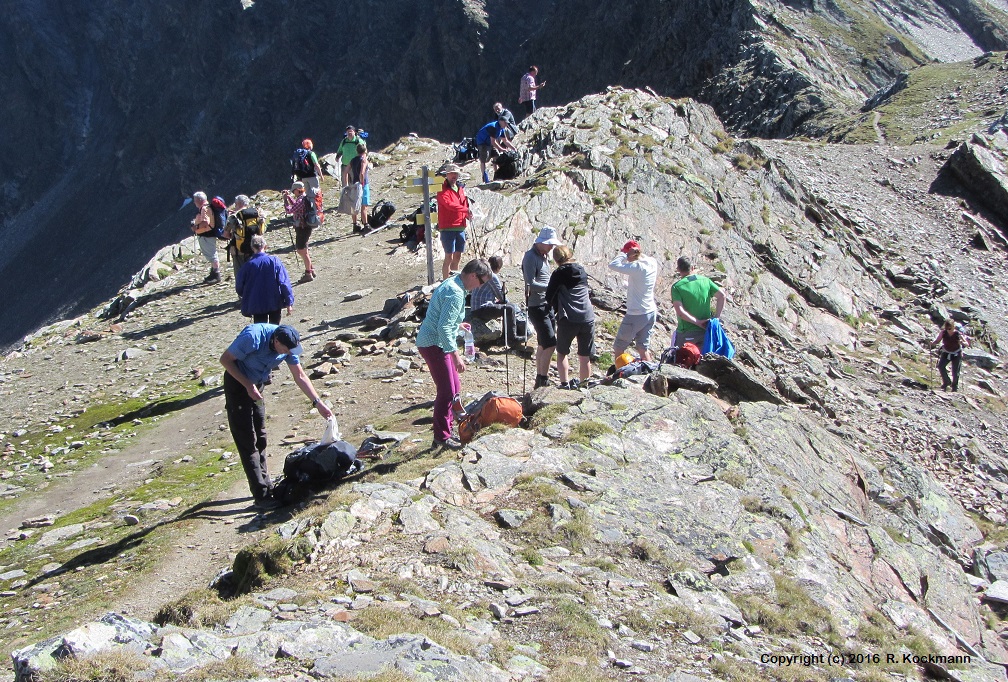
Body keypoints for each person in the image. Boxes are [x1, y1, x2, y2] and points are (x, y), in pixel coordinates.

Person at [220, 323, 333, 507]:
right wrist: (248, 385)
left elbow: (300, 376)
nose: (290, 352)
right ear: (276, 341)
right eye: (287, 349)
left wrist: (318, 403)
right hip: (238, 384)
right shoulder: (253, 337)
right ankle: (261, 495)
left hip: (257, 384)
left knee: (261, 435)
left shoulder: (288, 345)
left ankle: (266, 484)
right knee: (247, 439)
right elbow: (225, 360)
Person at [416, 259, 493, 450]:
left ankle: (451, 426)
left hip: (436, 342)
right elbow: (443, 327)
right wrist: (456, 356)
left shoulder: (452, 283)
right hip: (433, 344)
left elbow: (443, 318)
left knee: (454, 386)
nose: (479, 287)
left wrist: (458, 326)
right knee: (447, 392)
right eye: (481, 282)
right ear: (474, 275)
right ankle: (441, 437)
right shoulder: (456, 292)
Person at [545, 246, 596, 390]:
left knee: (562, 352)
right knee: (584, 356)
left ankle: (564, 383)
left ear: (555, 259)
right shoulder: (581, 270)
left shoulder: (558, 274)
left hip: (569, 318)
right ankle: (584, 385)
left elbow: (549, 297)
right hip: (587, 317)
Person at [522, 226, 564, 389]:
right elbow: (530, 283)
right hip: (537, 305)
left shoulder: (543, 256)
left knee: (543, 343)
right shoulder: (530, 257)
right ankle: (542, 378)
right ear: (541, 242)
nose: (552, 247)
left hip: (546, 305)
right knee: (550, 343)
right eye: (549, 244)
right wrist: (551, 286)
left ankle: (540, 379)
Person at [608, 240, 659, 361]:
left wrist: (623, 254)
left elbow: (612, 265)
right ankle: (650, 375)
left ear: (631, 254)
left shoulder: (637, 266)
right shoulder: (652, 261)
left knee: (619, 347)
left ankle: (619, 375)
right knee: (642, 348)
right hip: (650, 311)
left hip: (636, 313)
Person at [236, 235, 294, 324]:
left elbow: (239, 287)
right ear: (265, 246)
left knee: (260, 331)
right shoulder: (274, 261)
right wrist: (288, 302)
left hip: (256, 303)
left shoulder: (247, 266)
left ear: (252, 248)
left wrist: (247, 295)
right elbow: (284, 282)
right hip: (274, 301)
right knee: (274, 329)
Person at [671, 256, 725, 347]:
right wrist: (716, 317)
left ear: (678, 269)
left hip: (686, 332)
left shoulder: (677, 287)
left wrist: (698, 322)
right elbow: (722, 296)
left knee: (680, 359)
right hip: (706, 331)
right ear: (692, 268)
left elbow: (680, 312)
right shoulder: (705, 281)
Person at [470, 255, 521, 350]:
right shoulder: (491, 276)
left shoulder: (482, 272)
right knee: (509, 309)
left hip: (476, 308)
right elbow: (502, 297)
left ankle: (504, 337)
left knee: (506, 307)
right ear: (498, 268)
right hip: (482, 309)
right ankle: (511, 338)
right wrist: (514, 307)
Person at [436, 163, 470, 280]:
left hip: (460, 226)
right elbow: (449, 205)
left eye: (455, 173)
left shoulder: (460, 188)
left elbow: (463, 204)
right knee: (449, 257)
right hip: (447, 227)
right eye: (451, 173)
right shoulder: (442, 189)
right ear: (447, 175)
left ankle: (454, 281)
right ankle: (446, 283)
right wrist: (465, 210)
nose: (453, 176)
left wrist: (467, 214)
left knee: (458, 256)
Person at [283, 181, 316, 283]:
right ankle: (311, 269)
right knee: (304, 249)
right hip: (306, 226)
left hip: (302, 227)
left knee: (301, 250)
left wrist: (285, 201)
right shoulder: (304, 198)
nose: (294, 193)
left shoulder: (301, 200)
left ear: (298, 190)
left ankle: (308, 273)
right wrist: (288, 198)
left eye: (294, 191)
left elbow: (290, 210)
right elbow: (295, 205)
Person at [224, 195, 262, 280]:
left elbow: (225, 234)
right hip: (255, 247)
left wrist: (234, 236)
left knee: (240, 274)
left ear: (237, 203)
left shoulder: (234, 217)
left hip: (239, 250)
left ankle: (243, 292)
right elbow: (262, 229)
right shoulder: (256, 213)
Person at [190, 191, 221, 284]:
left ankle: (216, 275)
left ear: (199, 200)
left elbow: (206, 222)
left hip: (206, 235)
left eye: (195, 200)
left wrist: (196, 227)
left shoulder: (204, 209)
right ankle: (213, 273)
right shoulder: (207, 207)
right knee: (211, 254)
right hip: (207, 234)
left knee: (212, 255)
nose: (194, 202)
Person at [475, 117, 516, 184]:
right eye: (505, 123)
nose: (506, 125)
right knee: (484, 159)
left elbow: (505, 141)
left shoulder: (502, 129)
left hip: (490, 143)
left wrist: (513, 148)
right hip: (483, 143)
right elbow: (493, 142)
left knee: (496, 156)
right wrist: (501, 149)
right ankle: (484, 177)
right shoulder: (493, 127)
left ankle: (497, 174)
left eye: (507, 123)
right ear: (501, 121)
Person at [932, 319, 969, 391]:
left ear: (953, 327)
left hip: (956, 353)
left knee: (955, 372)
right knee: (940, 366)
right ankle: (946, 382)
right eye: (947, 328)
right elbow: (937, 341)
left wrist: (962, 342)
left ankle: (954, 387)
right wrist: (932, 343)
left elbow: (967, 344)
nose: (948, 330)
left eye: (949, 328)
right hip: (946, 352)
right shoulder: (943, 333)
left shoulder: (958, 334)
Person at [291, 138, 323, 203]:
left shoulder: (299, 154)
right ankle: (317, 208)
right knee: (316, 192)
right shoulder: (311, 153)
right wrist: (321, 175)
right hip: (312, 176)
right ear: (310, 145)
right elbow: (316, 165)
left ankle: (309, 208)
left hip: (303, 177)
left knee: (308, 194)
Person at [349, 142, 370, 232]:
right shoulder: (364, 160)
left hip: (354, 184)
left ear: (357, 151)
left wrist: (347, 183)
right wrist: (362, 183)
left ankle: (355, 225)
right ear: (365, 150)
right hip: (363, 184)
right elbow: (362, 172)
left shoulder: (353, 160)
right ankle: (366, 225)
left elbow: (346, 171)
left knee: (354, 205)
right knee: (364, 206)